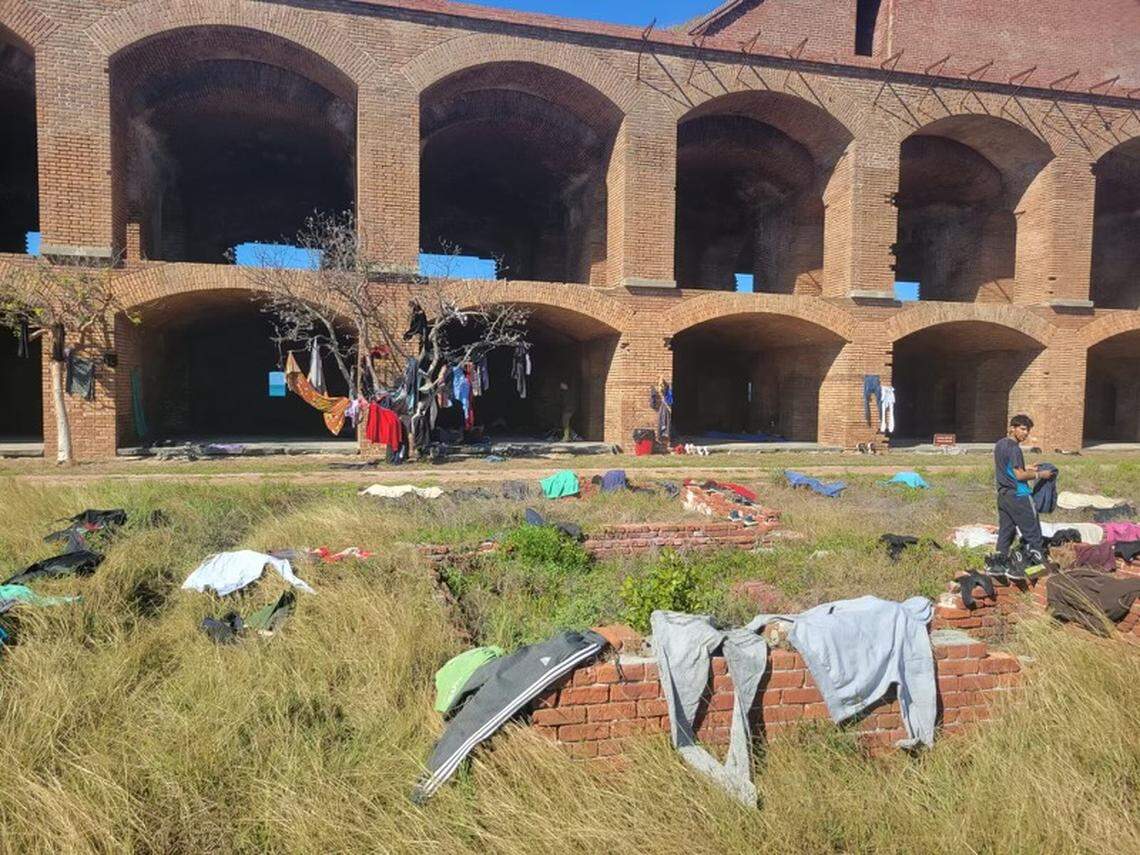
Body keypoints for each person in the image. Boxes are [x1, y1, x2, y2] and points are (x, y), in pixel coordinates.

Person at [991, 414, 1054, 580]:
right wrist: (1040, 474)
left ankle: (998, 566)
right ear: (1012, 428)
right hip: (1019, 496)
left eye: (1028, 430)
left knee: (1006, 533)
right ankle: (1037, 571)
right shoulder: (1014, 448)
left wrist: (1027, 467)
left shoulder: (1000, 444)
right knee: (1033, 534)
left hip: (1003, 496)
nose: (1025, 433)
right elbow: (1019, 476)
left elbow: (1008, 468)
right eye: (1023, 429)